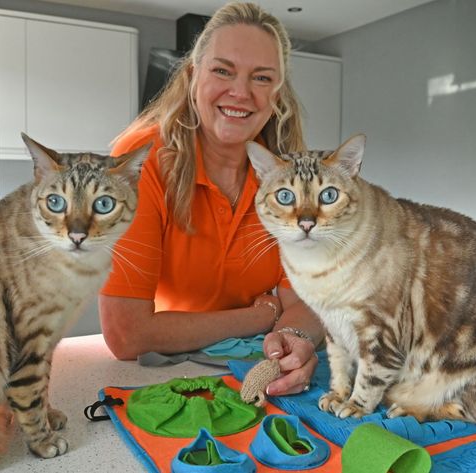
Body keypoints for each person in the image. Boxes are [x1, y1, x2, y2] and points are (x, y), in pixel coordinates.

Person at [99, 2, 324, 397]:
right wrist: (263, 315)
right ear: (191, 76)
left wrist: (293, 335)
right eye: (222, 70)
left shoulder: (289, 175)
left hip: (255, 369)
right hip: (164, 377)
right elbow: (126, 334)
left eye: (261, 77)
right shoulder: (139, 161)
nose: (240, 92)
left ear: (277, 93)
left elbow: (307, 303)